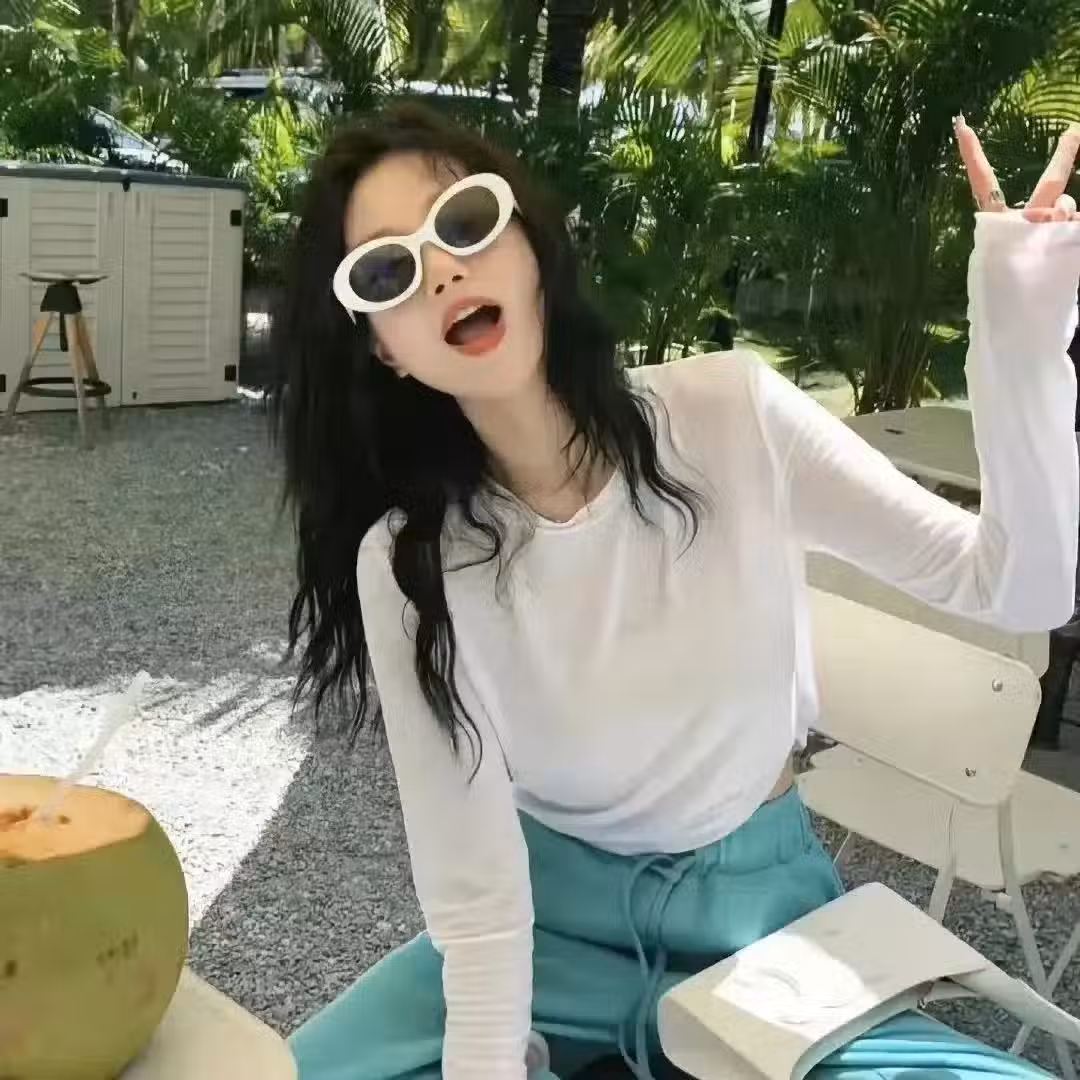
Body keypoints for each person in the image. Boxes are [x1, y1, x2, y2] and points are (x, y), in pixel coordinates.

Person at [274, 103, 1080, 1080]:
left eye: (465, 222)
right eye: (387, 272)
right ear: (382, 346)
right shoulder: (410, 563)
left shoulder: (732, 416)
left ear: (531, 244)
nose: (441, 268)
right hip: (548, 927)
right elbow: (479, 899)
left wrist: (1024, 335)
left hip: (766, 930)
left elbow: (1017, 587)